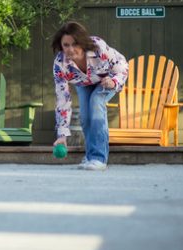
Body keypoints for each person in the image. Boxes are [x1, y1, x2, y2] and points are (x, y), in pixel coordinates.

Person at [52, 21, 128, 170]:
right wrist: (62, 135)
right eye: (66, 45)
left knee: (96, 101)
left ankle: (99, 158)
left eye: (75, 44)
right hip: (84, 83)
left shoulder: (98, 47)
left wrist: (114, 82)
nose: (70, 49)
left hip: (108, 78)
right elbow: (63, 100)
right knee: (86, 116)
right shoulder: (60, 65)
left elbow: (121, 67)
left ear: (82, 42)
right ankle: (90, 157)